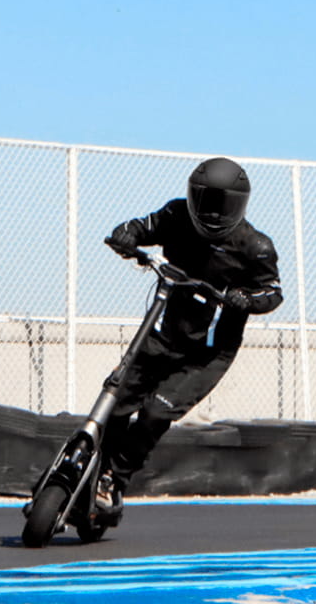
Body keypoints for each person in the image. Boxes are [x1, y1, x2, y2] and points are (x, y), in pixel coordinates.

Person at [99, 156, 283, 514]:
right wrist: (126, 234)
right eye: (206, 200)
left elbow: (273, 292)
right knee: (115, 401)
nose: (213, 212)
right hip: (163, 335)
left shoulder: (256, 246)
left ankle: (113, 481)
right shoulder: (176, 215)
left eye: (222, 204)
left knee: (155, 413)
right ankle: (91, 470)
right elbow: (143, 226)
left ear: (240, 204)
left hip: (207, 354)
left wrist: (246, 299)